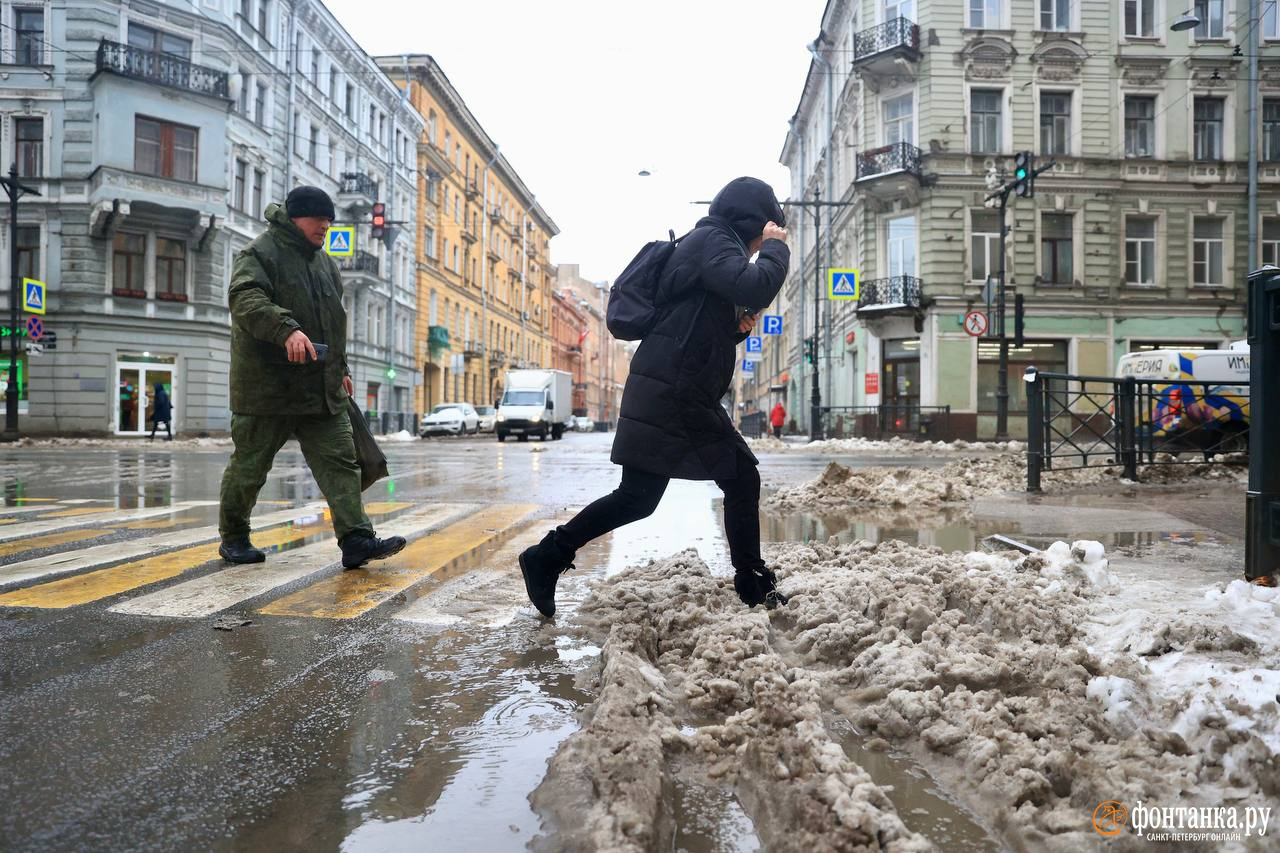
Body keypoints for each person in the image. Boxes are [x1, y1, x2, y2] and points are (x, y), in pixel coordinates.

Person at [518, 176, 790, 617]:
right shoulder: (714, 241)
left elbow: (691, 327)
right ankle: (751, 583)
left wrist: (731, 331)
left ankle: (545, 556)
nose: (761, 248)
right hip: (677, 392)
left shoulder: (708, 244)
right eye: (762, 237)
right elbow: (756, 287)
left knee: (637, 497)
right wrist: (779, 248)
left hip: (667, 385)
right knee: (741, 477)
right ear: (753, 221)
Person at [218, 186, 406, 569]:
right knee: (250, 467)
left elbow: (333, 325)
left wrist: (343, 370)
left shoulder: (325, 263)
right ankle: (234, 538)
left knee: (341, 462)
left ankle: (357, 539)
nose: (326, 226)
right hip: (266, 388)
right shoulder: (259, 253)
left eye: (329, 220)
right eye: (319, 219)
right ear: (295, 217)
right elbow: (244, 299)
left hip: (320, 386)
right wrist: (285, 329)